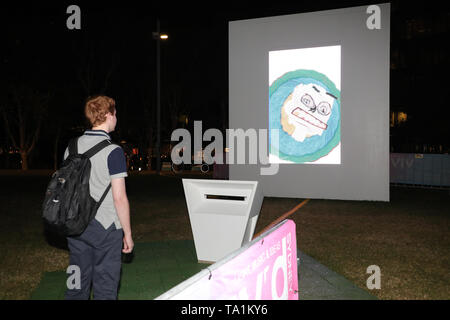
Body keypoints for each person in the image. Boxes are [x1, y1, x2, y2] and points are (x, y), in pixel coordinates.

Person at [64, 95, 133, 300]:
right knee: (105, 287)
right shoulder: (114, 151)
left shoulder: (72, 146)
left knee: (75, 283)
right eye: (115, 113)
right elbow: (119, 198)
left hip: (75, 225)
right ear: (109, 115)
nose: (116, 117)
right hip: (105, 228)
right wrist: (127, 233)